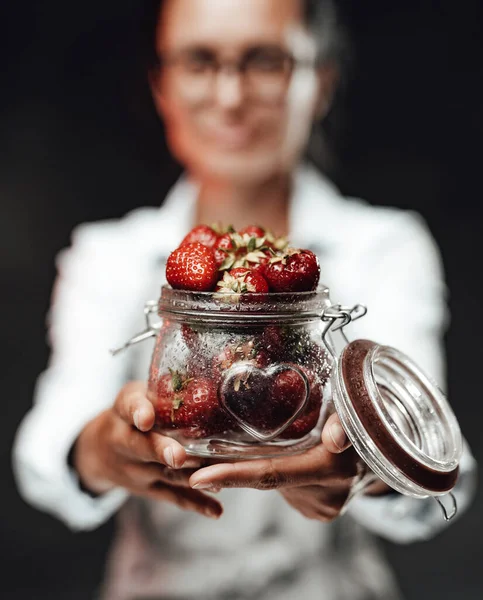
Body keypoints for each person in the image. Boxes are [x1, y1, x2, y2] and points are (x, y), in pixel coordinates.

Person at [13, 1, 476, 599]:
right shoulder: (111, 255)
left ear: (323, 80)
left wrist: (363, 470)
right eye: (199, 61)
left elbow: (443, 466)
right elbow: (45, 449)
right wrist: (105, 449)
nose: (229, 96)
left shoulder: (383, 247)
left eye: (265, 61)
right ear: (162, 85)